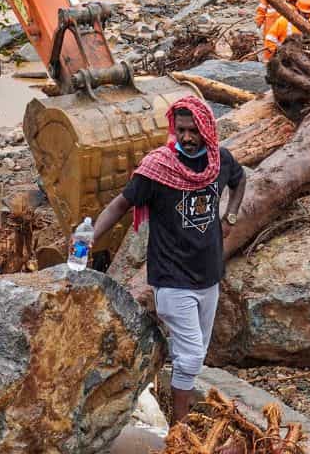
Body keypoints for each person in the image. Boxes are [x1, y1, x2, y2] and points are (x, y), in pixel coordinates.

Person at [91, 97, 246, 425]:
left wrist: (230, 215)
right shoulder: (157, 169)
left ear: (207, 130)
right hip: (172, 279)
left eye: (194, 131)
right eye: (181, 130)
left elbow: (239, 179)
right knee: (190, 358)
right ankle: (180, 431)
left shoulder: (219, 161)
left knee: (194, 356)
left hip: (209, 276)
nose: (187, 138)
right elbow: (120, 205)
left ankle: (167, 403)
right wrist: (91, 237)